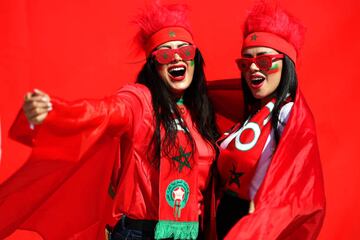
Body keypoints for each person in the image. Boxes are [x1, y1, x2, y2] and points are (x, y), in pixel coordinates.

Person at [0, 3, 219, 240]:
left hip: (193, 233)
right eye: (165, 53)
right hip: (140, 233)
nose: (177, 58)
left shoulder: (201, 113)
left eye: (185, 51)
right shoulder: (140, 101)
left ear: (195, 59)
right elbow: (104, 111)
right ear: (153, 64)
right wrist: (57, 111)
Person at [215, 2, 326, 239]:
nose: (253, 68)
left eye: (264, 61)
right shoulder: (253, 113)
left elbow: (297, 184)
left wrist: (261, 218)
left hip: (253, 226)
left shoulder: (288, 115)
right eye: (245, 62)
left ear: (286, 64)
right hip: (227, 218)